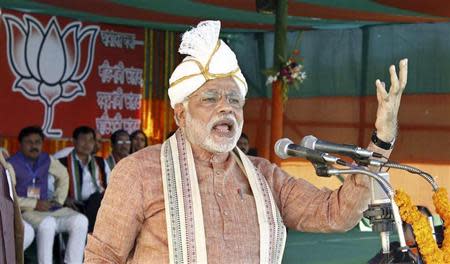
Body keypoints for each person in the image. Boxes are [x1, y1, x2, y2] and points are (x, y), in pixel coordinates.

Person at [85, 20, 408, 263]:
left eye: (234, 100)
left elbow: (336, 213)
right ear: (180, 115)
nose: (226, 107)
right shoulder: (138, 172)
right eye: (210, 98)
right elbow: (103, 258)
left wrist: (382, 139)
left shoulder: (264, 176)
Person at [8, 126, 88, 264]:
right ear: (20, 144)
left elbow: (63, 175)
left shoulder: (46, 159)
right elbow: (9, 197)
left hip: (48, 208)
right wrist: (34, 203)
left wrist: (59, 199)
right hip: (26, 211)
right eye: (29, 142)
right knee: (48, 224)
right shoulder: (11, 164)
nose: (34, 146)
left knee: (81, 220)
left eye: (38, 142)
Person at [59, 126, 110, 233]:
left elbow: (111, 186)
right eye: (83, 140)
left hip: (99, 203)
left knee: (97, 199)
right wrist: (64, 199)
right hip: (75, 205)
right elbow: (51, 189)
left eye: (91, 140)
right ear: (74, 141)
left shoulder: (100, 162)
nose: (87, 144)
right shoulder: (62, 163)